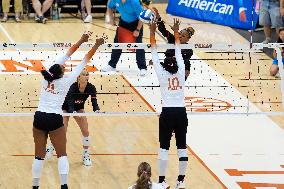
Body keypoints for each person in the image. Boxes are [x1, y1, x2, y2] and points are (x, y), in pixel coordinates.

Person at [32, 33, 104, 189]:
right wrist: (96, 45)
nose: (65, 66)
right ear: (61, 73)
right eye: (64, 68)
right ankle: (64, 186)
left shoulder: (46, 76)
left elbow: (68, 53)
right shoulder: (66, 81)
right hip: (54, 118)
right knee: (62, 154)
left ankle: (35, 186)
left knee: (39, 156)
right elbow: (85, 59)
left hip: (39, 117)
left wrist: (81, 40)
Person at [150, 19, 188, 189]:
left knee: (164, 147)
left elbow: (153, 51)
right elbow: (178, 48)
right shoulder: (181, 71)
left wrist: (151, 32)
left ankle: (162, 180)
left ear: (165, 66)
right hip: (181, 113)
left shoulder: (162, 74)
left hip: (167, 113)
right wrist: (177, 32)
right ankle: (181, 181)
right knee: (181, 147)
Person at [45, 68, 100, 166]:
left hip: (79, 109)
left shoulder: (91, 87)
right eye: (84, 74)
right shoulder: (72, 87)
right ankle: (51, 146)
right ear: (78, 77)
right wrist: (72, 112)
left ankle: (85, 154)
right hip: (65, 108)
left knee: (85, 131)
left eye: (87, 74)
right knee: (62, 130)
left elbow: (94, 101)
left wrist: (96, 109)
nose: (86, 76)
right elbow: (70, 102)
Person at [102, 0, 147, 76]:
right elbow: (109, 7)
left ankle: (142, 67)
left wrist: (137, 29)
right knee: (117, 43)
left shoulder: (134, 2)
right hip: (123, 23)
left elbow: (141, 17)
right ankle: (112, 65)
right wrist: (111, 19)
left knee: (139, 45)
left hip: (136, 23)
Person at [152, 7, 194, 80]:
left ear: (188, 39)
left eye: (183, 36)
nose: (180, 36)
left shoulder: (188, 50)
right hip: (167, 69)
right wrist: (158, 18)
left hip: (179, 73)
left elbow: (180, 64)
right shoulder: (173, 39)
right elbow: (163, 30)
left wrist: (157, 64)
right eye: (180, 33)